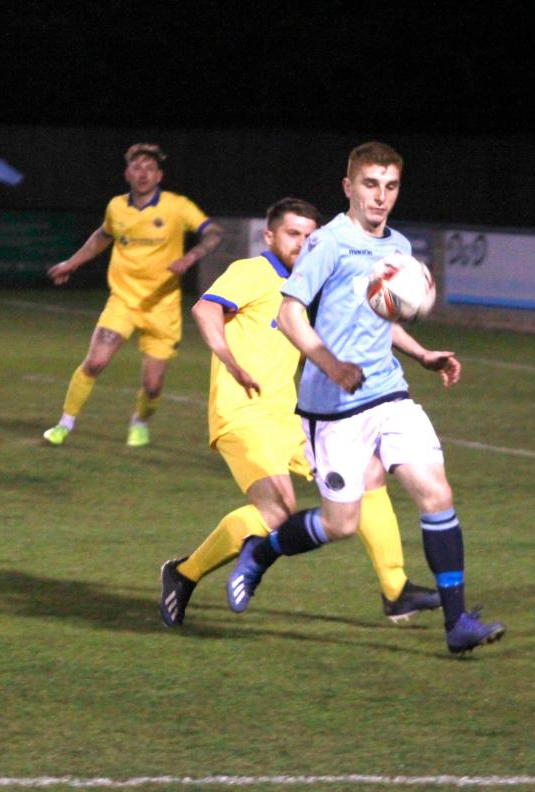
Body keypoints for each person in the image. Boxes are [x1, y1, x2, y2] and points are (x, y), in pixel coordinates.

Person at [223, 142, 505, 655]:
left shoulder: (397, 246)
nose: (381, 197)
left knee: (436, 493)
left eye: (390, 186)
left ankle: (457, 622)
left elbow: (381, 318)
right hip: (332, 407)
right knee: (341, 524)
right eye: (370, 184)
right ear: (348, 187)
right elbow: (289, 314)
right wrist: (330, 363)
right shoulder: (327, 243)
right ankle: (261, 553)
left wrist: (422, 354)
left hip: (388, 392)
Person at [159, 198, 440, 627]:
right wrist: (229, 360)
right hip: (243, 416)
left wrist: (421, 354)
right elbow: (205, 307)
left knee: (368, 472)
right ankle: (183, 574)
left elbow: (375, 313)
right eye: (293, 234)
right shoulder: (252, 272)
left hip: (291, 416)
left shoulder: (310, 284)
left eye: (310, 236)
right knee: (277, 511)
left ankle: (396, 589)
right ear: (269, 236)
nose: (302, 243)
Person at [42, 143, 223, 447]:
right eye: (137, 168)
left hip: (162, 307)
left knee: (152, 386)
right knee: (95, 362)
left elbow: (214, 232)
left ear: (159, 175)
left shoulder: (177, 206)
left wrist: (192, 256)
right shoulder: (116, 207)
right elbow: (102, 237)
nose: (143, 174)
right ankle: (64, 424)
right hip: (123, 301)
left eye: (150, 169)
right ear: (127, 173)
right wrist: (71, 263)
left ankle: (140, 421)